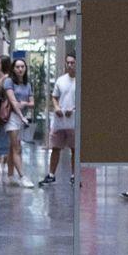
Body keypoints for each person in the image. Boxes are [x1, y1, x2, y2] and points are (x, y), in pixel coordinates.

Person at [42, 52, 77, 186]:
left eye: (72, 63)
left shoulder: (81, 80)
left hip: (73, 121)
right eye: (68, 63)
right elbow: (54, 97)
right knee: (56, 147)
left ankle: (74, 175)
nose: (69, 65)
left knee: (75, 148)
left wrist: (73, 109)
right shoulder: (61, 80)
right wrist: (56, 107)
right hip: (60, 121)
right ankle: (51, 175)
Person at [1, 58, 36, 188]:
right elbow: (13, 101)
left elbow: (32, 103)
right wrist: (21, 115)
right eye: (17, 67)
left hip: (23, 118)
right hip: (12, 117)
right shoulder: (9, 82)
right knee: (17, 148)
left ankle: (10, 176)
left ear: (25, 68)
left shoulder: (27, 84)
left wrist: (25, 104)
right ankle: (22, 176)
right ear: (13, 69)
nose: (20, 69)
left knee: (12, 147)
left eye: (22, 67)